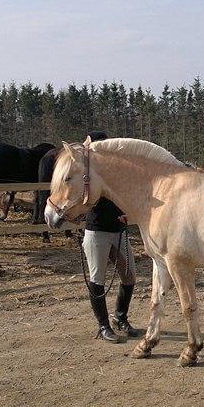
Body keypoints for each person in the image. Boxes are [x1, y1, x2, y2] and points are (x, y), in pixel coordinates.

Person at [82, 131, 140, 343]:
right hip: (97, 231)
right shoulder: (88, 174)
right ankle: (103, 325)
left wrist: (128, 212)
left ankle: (120, 318)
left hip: (119, 231)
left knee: (130, 275)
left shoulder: (117, 171)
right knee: (97, 279)